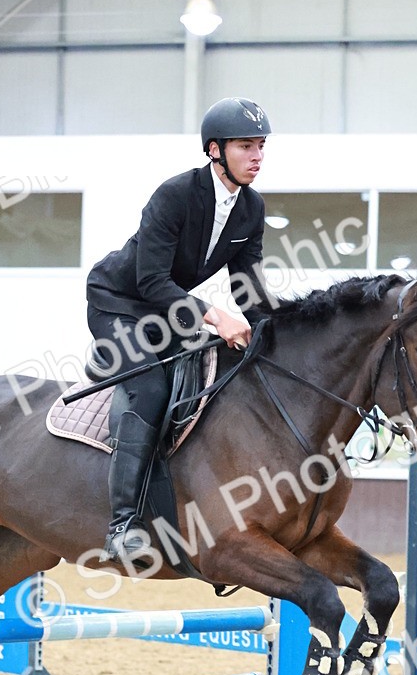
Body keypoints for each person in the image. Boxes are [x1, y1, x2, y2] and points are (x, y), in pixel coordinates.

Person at [86, 97, 275, 564]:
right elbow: (151, 281)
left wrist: (278, 330)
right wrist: (216, 316)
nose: (257, 156)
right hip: (120, 302)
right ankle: (122, 525)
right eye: (246, 146)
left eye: (262, 146)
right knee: (150, 387)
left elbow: (247, 285)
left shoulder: (250, 209)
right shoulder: (175, 194)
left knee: (204, 379)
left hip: (167, 308)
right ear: (215, 150)